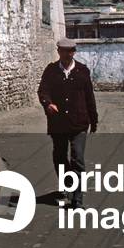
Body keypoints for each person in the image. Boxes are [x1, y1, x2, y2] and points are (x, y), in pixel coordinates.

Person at [37, 37, 98, 208]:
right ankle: (68, 184)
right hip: (58, 123)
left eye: (70, 51)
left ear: (74, 53)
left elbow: (89, 97)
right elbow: (43, 91)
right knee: (59, 156)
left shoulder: (82, 71)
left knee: (78, 158)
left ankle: (77, 199)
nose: (66, 55)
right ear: (58, 52)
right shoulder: (51, 71)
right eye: (63, 51)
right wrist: (48, 103)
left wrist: (93, 120)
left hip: (79, 122)